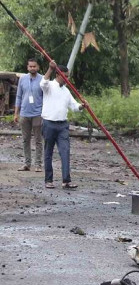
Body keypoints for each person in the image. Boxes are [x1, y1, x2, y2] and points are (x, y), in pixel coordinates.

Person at [40, 61, 86, 189]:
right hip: (49, 123)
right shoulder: (49, 86)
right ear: (58, 75)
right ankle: (48, 180)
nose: (67, 78)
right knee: (48, 152)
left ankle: (66, 180)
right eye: (65, 76)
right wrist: (50, 68)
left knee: (65, 152)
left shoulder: (66, 91)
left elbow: (74, 106)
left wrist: (82, 106)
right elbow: (42, 83)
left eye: (68, 76)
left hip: (63, 125)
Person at [14, 57, 43, 172]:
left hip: (37, 113)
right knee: (25, 139)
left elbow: (45, 97)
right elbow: (19, 96)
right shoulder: (22, 79)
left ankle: (38, 164)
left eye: (34, 66)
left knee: (38, 140)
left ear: (38, 67)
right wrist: (16, 113)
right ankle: (27, 164)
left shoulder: (42, 79)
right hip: (24, 113)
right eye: (30, 66)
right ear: (27, 67)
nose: (32, 68)